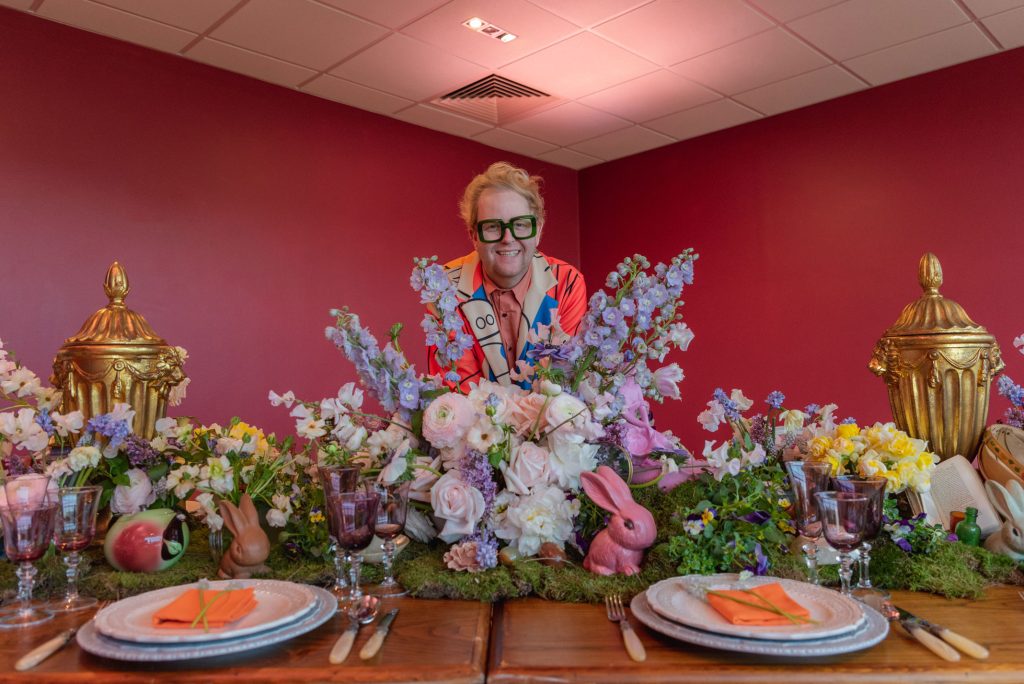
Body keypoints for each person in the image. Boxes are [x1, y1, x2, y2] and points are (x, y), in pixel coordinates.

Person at [427, 162, 587, 391]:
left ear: (538, 230)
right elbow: (459, 390)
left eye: (521, 225)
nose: (508, 238)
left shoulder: (567, 283)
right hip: (475, 424)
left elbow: (563, 383)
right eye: (493, 227)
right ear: (474, 236)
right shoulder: (445, 289)